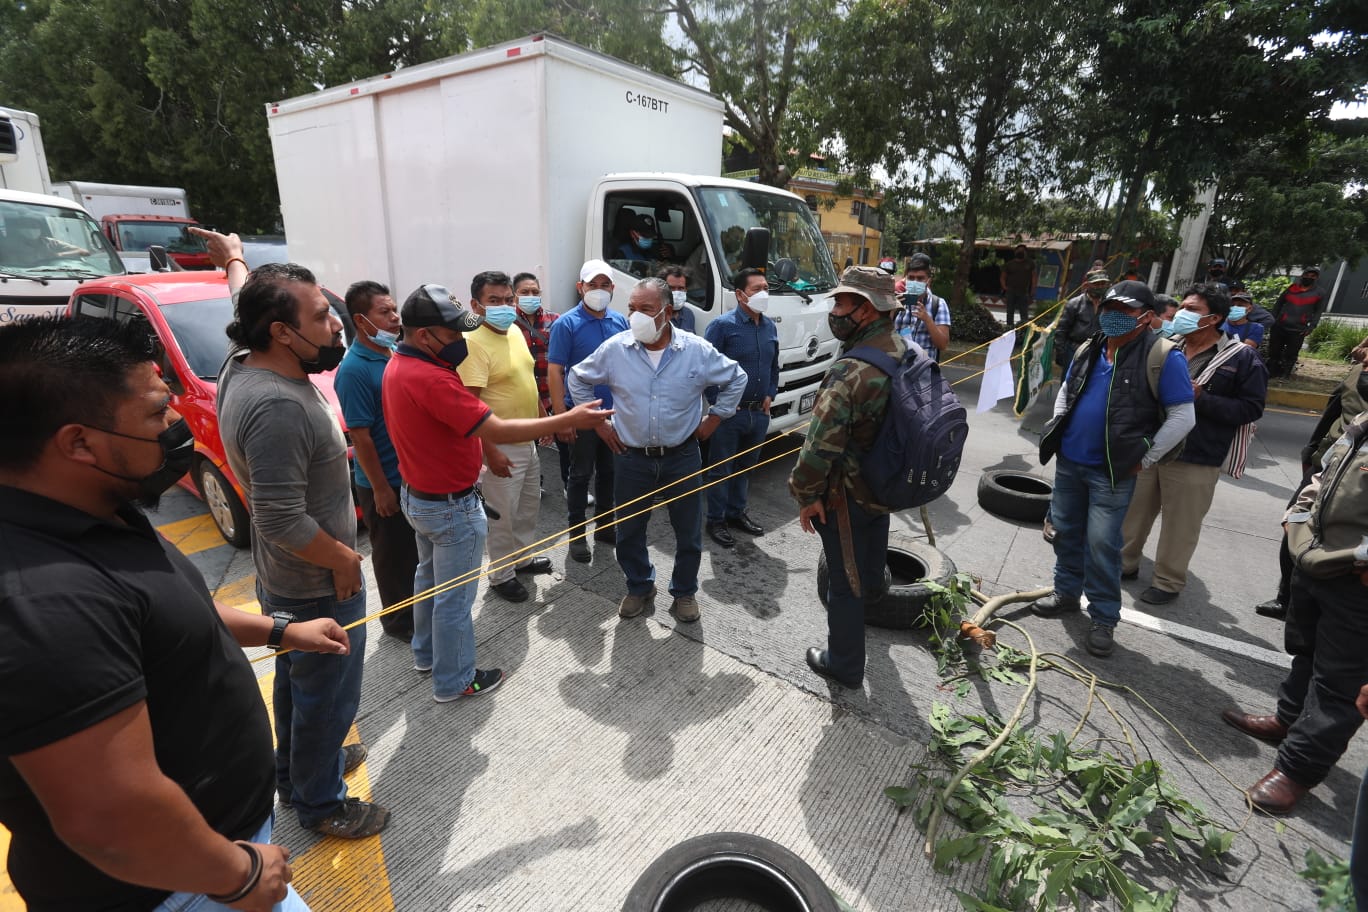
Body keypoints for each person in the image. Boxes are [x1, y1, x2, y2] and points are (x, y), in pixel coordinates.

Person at [0, 315, 354, 911]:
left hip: (210, 858)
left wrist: (281, 630)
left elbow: (168, 609)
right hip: (183, 886)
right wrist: (238, 874)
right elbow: (109, 817)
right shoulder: (41, 602)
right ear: (78, 443)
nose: (175, 423)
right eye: (156, 412)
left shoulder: (90, 507)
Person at [213, 242, 389, 839]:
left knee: (297, 683)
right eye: (321, 316)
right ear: (282, 333)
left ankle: (296, 772)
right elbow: (278, 517)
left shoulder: (244, 357)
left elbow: (244, 298)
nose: (336, 322)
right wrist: (344, 561)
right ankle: (322, 803)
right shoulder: (276, 406)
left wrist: (234, 257)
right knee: (328, 699)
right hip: (316, 584)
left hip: (285, 579)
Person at [384, 285, 612, 702]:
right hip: (449, 506)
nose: (460, 341)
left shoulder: (400, 363)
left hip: (421, 495)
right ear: (424, 335)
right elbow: (497, 428)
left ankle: (427, 655)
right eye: (452, 334)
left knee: (429, 581)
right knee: (455, 599)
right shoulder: (433, 378)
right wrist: (567, 418)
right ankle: (454, 680)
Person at [1031, 281, 1196, 657]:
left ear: (1147, 317)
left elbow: (1183, 416)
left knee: (1102, 544)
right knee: (1064, 532)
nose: (1113, 316)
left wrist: (1146, 458)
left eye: (1125, 311)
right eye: (1109, 309)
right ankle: (1066, 593)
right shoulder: (1089, 347)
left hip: (1112, 471)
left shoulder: (1162, 356)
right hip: (1071, 462)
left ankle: (1104, 617)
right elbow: (1067, 390)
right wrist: (1059, 427)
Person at [568, 277, 747, 623]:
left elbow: (736, 377)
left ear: (667, 312)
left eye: (645, 309)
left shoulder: (696, 350)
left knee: (688, 532)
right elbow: (578, 377)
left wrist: (716, 418)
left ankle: (684, 592)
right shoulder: (615, 349)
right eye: (631, 308)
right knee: (629, 531)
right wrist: (599, 424)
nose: (635, 316)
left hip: (682, 456)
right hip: (631, 458)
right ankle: (639, 586)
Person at [1220, 405, 1368, 814]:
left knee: (1339, 685)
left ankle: (1297, 770)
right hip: (1316, 561)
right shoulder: (1364, 420)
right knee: (1306, 653)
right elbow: (1324, 473)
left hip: (1358, 579)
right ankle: (1287, 720)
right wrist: (1296, 518)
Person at [790, 266, 906, 689]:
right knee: (871, 560)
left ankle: (844, 664)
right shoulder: (901, 348)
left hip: (848, 494)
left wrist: (806, 495)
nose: (835, 311)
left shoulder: (852, 371)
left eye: (841, 303)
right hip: (886, 483)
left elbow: (818, 447)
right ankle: (871, 599)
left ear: (867, 309)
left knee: (843, 582)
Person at [1120, 283, 1267, 604]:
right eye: (1182, 307)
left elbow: (1251, 408)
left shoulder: (1241, 357)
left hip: (1197, 455)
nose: (1182, 313)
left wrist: (1202, 398)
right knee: (1133, 512)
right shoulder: (1165, 345)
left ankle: (1167, 582)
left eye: (1192, 309)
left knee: (1181, 525)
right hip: (1152, 445)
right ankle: (1124, 564)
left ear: (1214, 318)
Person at [1254, 332, 1368, 620]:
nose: (1363, 353)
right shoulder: (1357, 373)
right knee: (1296, 522)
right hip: (1328, 464)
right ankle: (1287, 597)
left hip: (1359, 479)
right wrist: (1312, 450)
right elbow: (1333, 409)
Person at [458, 270, 552, 603]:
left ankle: (522, 558)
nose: (505, 306)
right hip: (499, 444)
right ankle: (501, 575)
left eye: (508, 299)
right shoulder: (472, 342)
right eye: (494, 301)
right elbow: (469, 407)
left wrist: (543, 418)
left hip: (526, 439)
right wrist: (490, 451)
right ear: (476, 305)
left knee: (527, 506)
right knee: (502, 513)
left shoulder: (512, 329)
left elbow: (526, 378)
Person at [334, 280, 416, 642]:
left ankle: (418, 611)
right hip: (383, 481)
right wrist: (381, 489)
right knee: (393, 558)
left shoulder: (393, 351)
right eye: (385, 312)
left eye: (394, 309)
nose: (395, 317)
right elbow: (361, 436)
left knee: (413, 553)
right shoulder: (354, 370)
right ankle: (398, 623)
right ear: (360, 320)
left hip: (409, 475)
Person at [548, 259, 631, 562]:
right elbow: (555, 371)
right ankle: (577, 535)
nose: (599, 290)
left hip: (614, 415)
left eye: (604, 285)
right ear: (580, 287)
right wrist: (562, 418)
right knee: (580, 474)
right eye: (592, 284)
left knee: (610, 472)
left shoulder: (620, 322)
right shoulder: (566, 324)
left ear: (613, 288)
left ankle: (605, 527)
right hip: (580, 414)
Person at [704, 267, 778, 548]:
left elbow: (773, 365)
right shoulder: (722, 326)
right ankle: (715, 520)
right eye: (757, 289)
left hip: (758, 413)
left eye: (766, 288)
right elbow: (705, 368)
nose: (763, 293)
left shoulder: (769, 326)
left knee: (745, 468)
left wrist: (771, 393)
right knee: (721, 470)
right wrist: (719, 403)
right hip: (729, 415)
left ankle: (735, 513)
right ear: (739, 294)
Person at [512, 271, 571, 494]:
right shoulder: (508, 323)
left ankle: (570, 485)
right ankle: (534, 483)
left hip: (553, 393)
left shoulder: (555, 320)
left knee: (566, 444)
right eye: (525, 292)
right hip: (525, 396)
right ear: (515, 295)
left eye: (535, 292)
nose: (531, 296)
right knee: (529, 445)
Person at [1267, 267, 1326, 379]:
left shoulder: (1320, 293)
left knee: (1291, 353)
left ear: (1316, 278)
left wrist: (1311, 326)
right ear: (1303, 275)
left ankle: (1286, 374)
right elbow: (1278, 304)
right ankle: (1271, 372)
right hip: (1280, 325)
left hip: (1298, 329)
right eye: (1307, 275)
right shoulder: (1291, 289)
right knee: (1274, 350)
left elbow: (1318, 312)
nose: (1309, 277)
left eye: (1313, 276)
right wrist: (1272, 319)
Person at [893, 252, 950, 361]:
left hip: (923, 367)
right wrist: (892, 312)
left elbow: (943, 345)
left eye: (920, 278)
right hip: (897, 365)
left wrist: (927, 320)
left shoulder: (938, 304)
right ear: (905, 279)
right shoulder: (897, 301)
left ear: (928, 280)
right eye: (911, 278)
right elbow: (883, 337)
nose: (915, 282)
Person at [1054, 270, 1110, 373]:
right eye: (1096, 284)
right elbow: (1061, 330)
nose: (1100, 287)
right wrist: (1061, 353)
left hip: (1098, 352)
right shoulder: (1074, 304)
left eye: (1102, 284)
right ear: (1087, 285)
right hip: (1074, 350)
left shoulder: (1109, 306)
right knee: (1069, 380)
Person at [999, 243, 1036, 330]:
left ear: (1026, 253)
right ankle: (1009, 329)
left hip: (1023, 292)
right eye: (1019, 251)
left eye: (1022, 251)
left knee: (1024, 312)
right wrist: (1004, 287)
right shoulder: (1009, 264)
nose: (1020, 252)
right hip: (1011, 291)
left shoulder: (1030, 264)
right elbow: (1003, 277)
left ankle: (1024, 329)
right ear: (1015, 252)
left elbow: (1034, 277)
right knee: (1010, 311)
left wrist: (1033, 289)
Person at [659, 264, 697, 333]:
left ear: (686, 290)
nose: (676, 292)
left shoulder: (688, 314)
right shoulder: (655, 315)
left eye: (681, 288)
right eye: (671, 288)